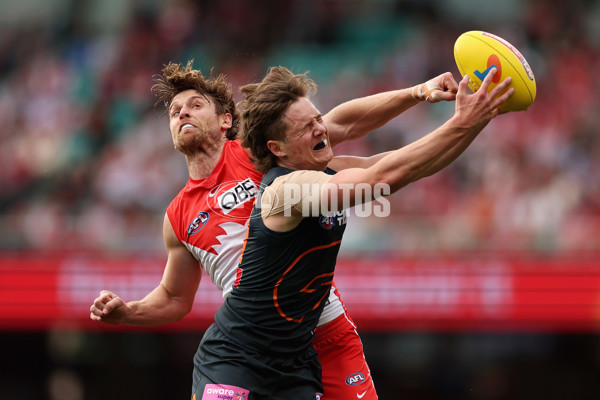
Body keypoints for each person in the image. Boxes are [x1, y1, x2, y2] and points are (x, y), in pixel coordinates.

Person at [89, 60, 459, 400]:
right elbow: (174, 298)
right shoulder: (177, 216)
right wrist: (128, 312)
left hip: (325, 333)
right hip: (253, 342)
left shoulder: (261, 152)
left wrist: (419, 92)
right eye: (174, 112)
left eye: (195, 105)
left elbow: (340, 124)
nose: (182, 111)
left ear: (225, 121)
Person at [191, 66, 514, 399]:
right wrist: (460, 123)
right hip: (236, 356)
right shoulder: (284, 190)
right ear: (278, 148)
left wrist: (473, 120)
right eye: (308, 127)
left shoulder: (327, 166)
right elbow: (383, 178)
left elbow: (413, 163)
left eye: (318, 118)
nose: (321, 128)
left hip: (293, 362)